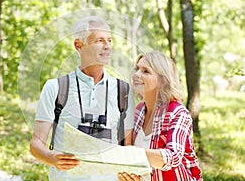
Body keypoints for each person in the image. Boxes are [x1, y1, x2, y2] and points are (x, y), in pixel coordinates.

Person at [29, 15, 135, 181]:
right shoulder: (55, 88)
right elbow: (36, 145)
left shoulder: (123, 91)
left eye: (109, 40)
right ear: (79, 45)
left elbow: (127, 148)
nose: (107, 46)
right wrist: (53, 159)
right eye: (99, 41)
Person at [118, 51, 202, 181]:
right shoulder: (138, 111)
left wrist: (130, 153)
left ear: (162, 81)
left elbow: (172, 156)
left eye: (145, 71)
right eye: (137, 69)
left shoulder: (178, 113)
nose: (136, 74)